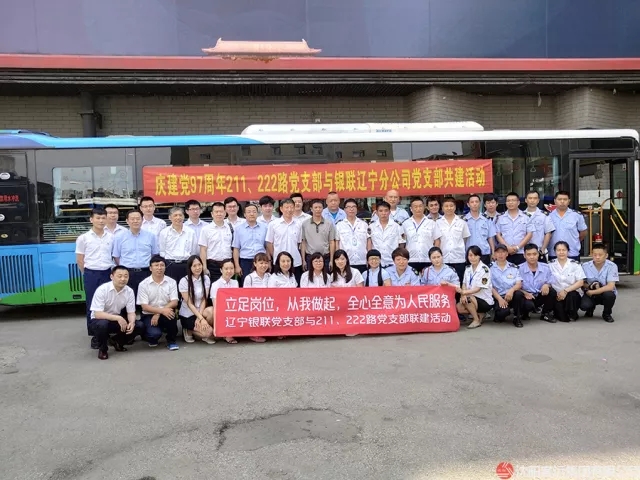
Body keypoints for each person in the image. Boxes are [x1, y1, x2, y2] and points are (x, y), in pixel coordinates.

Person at [76, 208, 115, 348]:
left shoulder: (111, 237)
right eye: (98, 218)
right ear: (91, 219)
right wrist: (87, 273)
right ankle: (95, 335)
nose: (101, 221)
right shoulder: (83, 238)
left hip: (107, 273)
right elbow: (80, 260)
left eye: (103, 218)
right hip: (91, 273)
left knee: (108, 303)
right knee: (92, 305)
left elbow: (113, 256)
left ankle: (107, 333)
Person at [89, 265, 138, 360]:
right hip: (99, 320)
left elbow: (131, 312)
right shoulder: (102, 290)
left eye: (126, 276)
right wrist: (118, 318)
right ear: (112, 276)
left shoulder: (129, 291)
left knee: (139, 326)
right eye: (119, 276)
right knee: (102, 324)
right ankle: (103, 349)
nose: (123, 279)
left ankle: (116, 341)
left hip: (115, 319)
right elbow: (97, 314)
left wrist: (132, 322)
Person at [113, 209, 160, 299]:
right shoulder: (119, 237)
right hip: (127, 274)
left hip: (146, 272)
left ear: (142, 220)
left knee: (146, 299)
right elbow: (116, 256)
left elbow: (154, 254)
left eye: (138, 219)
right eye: (132, 219)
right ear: (127, 221)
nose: (135, 221)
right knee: (127, 299)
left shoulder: (151, 236)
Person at [137, 255, 180, 350]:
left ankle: (171, 341)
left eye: (162, 265)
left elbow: (174, 302)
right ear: (150, 268)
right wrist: (160, 311)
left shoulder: (171, 282)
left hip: (166, 311)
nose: (159, 268)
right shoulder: (143, 284)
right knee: (154, 334)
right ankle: (148, 335)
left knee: (171, 315)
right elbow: (144, 307)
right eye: (156, 265)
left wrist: (158, 313)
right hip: (148, 314)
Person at [178, 255, 214, 344]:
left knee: (212, 311)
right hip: (188, 313)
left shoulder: (206, 279)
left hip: (200, 310)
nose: (197, 268)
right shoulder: (184, 281)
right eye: (194, 266)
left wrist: (199, 317)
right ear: (190, 268)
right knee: (209, 333)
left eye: (199, 265)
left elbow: (204, 299)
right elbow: (189, 303)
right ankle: (188, 330)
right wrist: (201, 318)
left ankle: (201, 328)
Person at [266, 199, 303, 284]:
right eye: (286, 207)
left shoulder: (298, 223)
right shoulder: (273, 224)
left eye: (291, 207)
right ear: (281, 209)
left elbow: (299, 242)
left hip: (295, 261)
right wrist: (276, 255)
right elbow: (269, 243)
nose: (289, 210)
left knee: (295, 285)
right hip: (279, 262)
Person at [203, 258, 239, 345]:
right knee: (211, 311)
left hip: (232, 308)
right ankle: (219, 331)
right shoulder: (216, 284)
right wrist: (217, 327)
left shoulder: (235, 283)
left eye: (231, 268)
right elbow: (216, 305)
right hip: (220, 309)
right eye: (226, 269)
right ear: (221, 270)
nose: (229, 271)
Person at [457, 246, 494, 329]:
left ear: (479, 256)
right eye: (470, 255)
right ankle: (480, 314)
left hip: (484, 300)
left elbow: (478, 289)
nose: (472, 258)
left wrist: (464, 293)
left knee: (468, 298)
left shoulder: (484, 269)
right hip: (471, 297)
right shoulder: (468, 268)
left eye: (475, 255)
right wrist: (463, 294)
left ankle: (476, 320)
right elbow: (464, 284)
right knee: (459, 308)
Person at [519, 243, 557, 323]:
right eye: (529, 254)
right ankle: (524, 313)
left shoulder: (545, 267)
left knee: (552, 291)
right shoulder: (519, 269)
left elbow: (551, 280)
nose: (532, 257)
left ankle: (545, 314)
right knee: (522, 299)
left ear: (538, 254)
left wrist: (546, 285)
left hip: (539, 295)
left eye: (534, 254)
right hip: (526, 296)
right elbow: (514, 286)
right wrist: (525, 293)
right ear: (524, 255)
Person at [402, 196, 441, 273]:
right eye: (415, 207)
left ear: (424, 207)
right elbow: (403, 242)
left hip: (428, 259)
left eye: (420, 206)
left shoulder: (431, 223)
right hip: (411, 259)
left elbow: (437, 241)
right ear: (411, 209)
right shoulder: (405, 224)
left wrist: (434, 256)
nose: (418, 209)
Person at [580, 243, 618, 323]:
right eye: (595, 255)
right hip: (590, 292)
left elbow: (610, 286)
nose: (597, 257)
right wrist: (589, 286)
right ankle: (590, 309)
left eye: (600, 255)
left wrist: (593, 292)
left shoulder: (612, 266)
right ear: (592, 255)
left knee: (610, 295)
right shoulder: (585, 266)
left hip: (604, 293)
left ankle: (606, 314)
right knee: (583, 306)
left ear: (606, 255)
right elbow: (581, 282)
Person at [548, 241, 585, 322]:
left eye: (564, 250)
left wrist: (565, 291)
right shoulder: (550, 265)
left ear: (568, 251)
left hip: (571, 295)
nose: (561, 252)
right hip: (557, 295)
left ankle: (572, 313)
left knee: (572, 295)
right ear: (555, 252)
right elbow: (547, 282)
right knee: (563, 318)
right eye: (558, 250)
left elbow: (580, 282)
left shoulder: (575, 265)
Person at [159, 206, 197, 284]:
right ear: (170, 217)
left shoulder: (191, 232)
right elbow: (162, 251)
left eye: (180, 215)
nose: (178, 217)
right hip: (170, 265)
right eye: (175, 215)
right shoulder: (164, 232)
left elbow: (194, 251)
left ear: (184, 217)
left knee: (186, 287)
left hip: (186, 265)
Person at [232, 203, 267, 286]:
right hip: (245, 261)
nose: (252, 214)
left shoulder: (264, 228)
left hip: (261, 260)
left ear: (257, 214)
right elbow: (236, 248)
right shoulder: (238, 229)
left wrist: (268, 261)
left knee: (262, 284)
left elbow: (267, 246)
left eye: (254, 212)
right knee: (246, 284)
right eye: (249, 212)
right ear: (244, 214)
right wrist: (237, 266)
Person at [495, 192, 535, 265]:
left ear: (518, 202)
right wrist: (507, 247)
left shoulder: (526, 217)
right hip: (505, 253)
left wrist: (517, 247)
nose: (510, 202)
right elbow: (498, 235)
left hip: (522, 252)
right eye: (508, 201)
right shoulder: (500, 217)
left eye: (513, 200)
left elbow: (529, 234)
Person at [436, 196, 470, 282]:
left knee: (458, 283)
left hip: (458, 258)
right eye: (446, 206)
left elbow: (465, 239)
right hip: (444, 259)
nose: (449, 208)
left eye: (451, 206)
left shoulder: (462, 222)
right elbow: (437, 240)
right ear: (442, 208)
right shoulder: (437, 223)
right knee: (444, 284)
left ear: (455, 207)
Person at [490, 244, 525, 327]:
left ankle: (517, 318)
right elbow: (489, 287)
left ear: (507, 254)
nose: (500, 254)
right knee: (503, 313)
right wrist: (499, 299)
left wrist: (511, 290)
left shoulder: (514, 267)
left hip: (511, 296)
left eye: (503, 252)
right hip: (498, 297)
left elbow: (519, 283)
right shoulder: (489, 268)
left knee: (518, 294)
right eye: (498, 252)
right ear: (495, 254)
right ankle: (499, 315)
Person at [239, 252, 271, 343]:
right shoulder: (249, 278)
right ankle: (254, 334)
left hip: (268, 305)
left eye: (266, 263)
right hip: (254, 305)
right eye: (261, 263)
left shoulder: (270, 276)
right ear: (255, 264)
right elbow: (245, 296)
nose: (264, 265)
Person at [548, 190, 588, 261]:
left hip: (572, 253)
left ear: (569, 201)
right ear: (555, 201)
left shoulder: (576, 215)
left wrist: (575, 241)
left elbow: (583, 232)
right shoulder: (548, 216)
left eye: (565, 199)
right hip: (554, 253)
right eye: (559, 199)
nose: (562, 201)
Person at [198, 202, 233, 282]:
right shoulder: (206, 229)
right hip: (212, 265)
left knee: (228, 287)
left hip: (228, 264)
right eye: (216, 212)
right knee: (214, 287)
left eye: (221, 211)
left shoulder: (230, 228)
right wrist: (204, 267)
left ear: (225, 213)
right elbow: (203, 249)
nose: (219, 214)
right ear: (212, 214)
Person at [335, 198, 369, 273]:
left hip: (362, 261)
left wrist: (369, 258)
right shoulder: (339, 225)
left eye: (354, 207)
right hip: (346, 261)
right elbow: (337, 243)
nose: (351, 209)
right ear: (344, 210)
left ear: (357, 209)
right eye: (349, 207)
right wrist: (338, 259)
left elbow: (368, 242)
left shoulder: (364, 224)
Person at [301, 199, 336, 271]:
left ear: (323, 208)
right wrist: (303, 260)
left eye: (320, 207)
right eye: (315, 207)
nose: (318, 209)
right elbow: (303, 242)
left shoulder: (329, 224)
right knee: (310, 277)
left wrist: (331, 260)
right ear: (311, 209)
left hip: (325, 258)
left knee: (326, 277)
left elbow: (332, 242)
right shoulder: (305, 224)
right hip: (310, 258)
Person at [367, 201, 405, 268]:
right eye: (381, 211)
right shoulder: (371, 226)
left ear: (389, 212)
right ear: (376, 213)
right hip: (376, 262)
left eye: (386, 210)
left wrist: (399, 259)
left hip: (392, 262)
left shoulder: (397, 226)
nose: (383, 213)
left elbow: (401, 244)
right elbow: (369, 243)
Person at [523, 191, 555, 262]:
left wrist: (543, 249)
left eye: (535, 198)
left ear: (538, 200)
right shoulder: (521, 215)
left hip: (539, 250)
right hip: (524, 251)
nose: (532, 200)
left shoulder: (544, 215)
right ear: (526, 200)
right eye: (530, 198)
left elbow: (548, 233)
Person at [464, 194, 496, 265]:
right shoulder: (464, 220)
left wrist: (493, 252)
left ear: (480, 203)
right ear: (468, 204)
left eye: (476, 202)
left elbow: (490, 237)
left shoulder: (487, 219)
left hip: (484, 253)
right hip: (470, 254)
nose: (474, 204)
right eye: (472, 202)